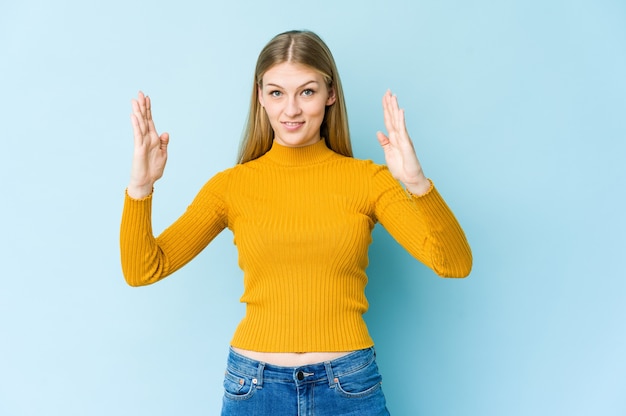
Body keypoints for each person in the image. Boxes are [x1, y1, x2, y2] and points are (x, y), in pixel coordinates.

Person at [120, 30, 472, 415]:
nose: (291, 110)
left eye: (306, 91)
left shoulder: (368, 181)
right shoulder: (231, 186)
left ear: (330, 94)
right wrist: (140, 187)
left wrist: (417, 183)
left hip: (348, 384)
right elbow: (143, 269)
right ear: (260, 97)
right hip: (253, 388)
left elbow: (453, 263)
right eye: (276, 93)